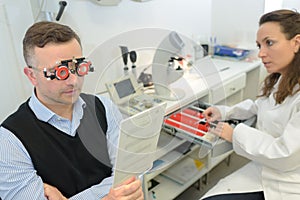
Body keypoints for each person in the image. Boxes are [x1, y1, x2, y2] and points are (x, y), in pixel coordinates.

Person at [0, 21, 144, 200]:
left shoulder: (104, 108)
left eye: (78, 67)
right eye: (59, 72)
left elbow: (128, 176)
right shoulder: (10, 141)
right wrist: (108, 196)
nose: (73, 81)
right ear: (31, 75)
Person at [200, 9, 300, 200]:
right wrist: (224, 112)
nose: (261, 53)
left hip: (287, 184)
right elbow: (259, 106)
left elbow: (285, 155)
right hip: (265, 169)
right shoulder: (283, 79)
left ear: (296, 43)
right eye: (259, 45)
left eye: (269, 43)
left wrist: (234, 133)